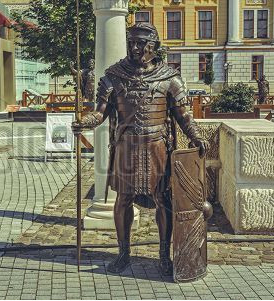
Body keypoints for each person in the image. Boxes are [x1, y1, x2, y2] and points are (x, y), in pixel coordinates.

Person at [73, 23, 208, 276]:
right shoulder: (113, 76)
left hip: (158, 149)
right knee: (123, 199)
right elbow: (100, 113)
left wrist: (197, 136)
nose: (134, 48)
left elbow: (184, 116)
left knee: (163, 200)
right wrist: (84, 122)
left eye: (140, 44)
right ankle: (123, 254)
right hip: (126, 148)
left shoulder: (170, 78)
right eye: (131, 42)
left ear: (153, 47)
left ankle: (164, 256)